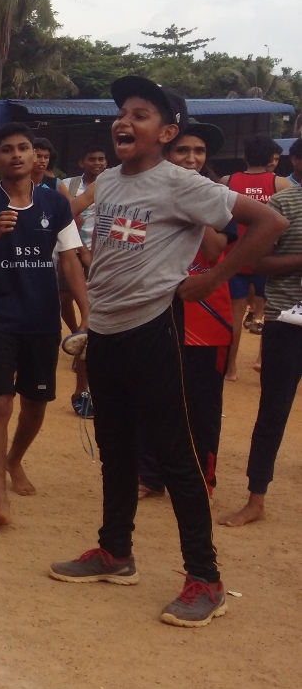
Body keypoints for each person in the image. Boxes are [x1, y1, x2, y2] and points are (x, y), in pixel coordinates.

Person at [49, 76, 287, 628]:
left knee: (177, 456)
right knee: (115, 447)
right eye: (122, 113)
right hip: (105, 333)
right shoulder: (107, 181)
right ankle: (115, 552)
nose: (124, 122)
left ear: (167, 131)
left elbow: (269, 223)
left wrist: (213, 281)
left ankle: (205, 578)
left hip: (155, 329)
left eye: (141, 114)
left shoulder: (181, 183)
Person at [0, 123, 86, 528]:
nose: (16, 155)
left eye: (23, 148)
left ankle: (15, 460)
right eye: (7, 150)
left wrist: (88, 316)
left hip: (42, 320)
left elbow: (69, 258)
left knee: (36, 406)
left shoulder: (55, 205)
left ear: (36, 157)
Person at [136, 123, 233, 500]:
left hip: (206, 320)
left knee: (200, 406)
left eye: (199, 151)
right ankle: (150, 475)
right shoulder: (147, 193)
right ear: (166, 154)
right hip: (154, 314)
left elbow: (212, 252)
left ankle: (200, 480)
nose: (191, 159)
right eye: (182, 151)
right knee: (151, 398)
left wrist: (193, 202)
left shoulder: (222, 197)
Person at [216, 147, 302, 528]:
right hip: (288, 323)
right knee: (273, 410)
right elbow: (256, 262)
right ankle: (256, 499)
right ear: (295, 162)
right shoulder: (282, 203)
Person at [221, 135, 291, 381]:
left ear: (244, 156)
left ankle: (230, 369)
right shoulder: (280, 184)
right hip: (266, 259)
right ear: (272, 159)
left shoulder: (227, 181)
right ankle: (262, 360)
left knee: (234, 316)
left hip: (234, 259)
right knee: (270, 315)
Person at [58, 146, 108, 417]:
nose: (98, 162)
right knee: (70, 302)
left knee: (99, 320)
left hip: (110, 260)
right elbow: (66, 216)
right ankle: (83, 389)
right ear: (82, 161)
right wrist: (81, 251)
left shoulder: (118, 183)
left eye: (102, 158)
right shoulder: (70, 186)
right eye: (93, 158)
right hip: (74, 254)